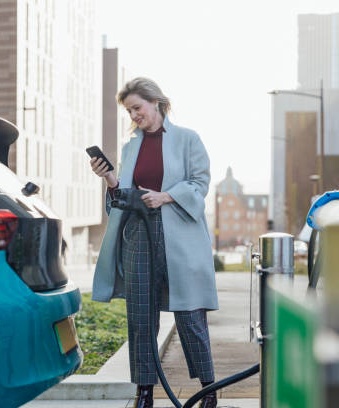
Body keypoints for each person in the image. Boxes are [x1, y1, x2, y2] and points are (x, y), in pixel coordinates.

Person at [89, 77, 219, 408]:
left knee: (190, 314)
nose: (133, 116)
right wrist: (108, 177)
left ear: (156, 103)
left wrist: (165, 196)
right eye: (129, 111)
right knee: (141, 315)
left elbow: (200, 183)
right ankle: (144, 391)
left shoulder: (188, 139)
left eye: (137, 108)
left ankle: (208, 389)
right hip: (138, 236)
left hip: (180, 237)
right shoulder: (130, 146)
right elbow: (123, 197)